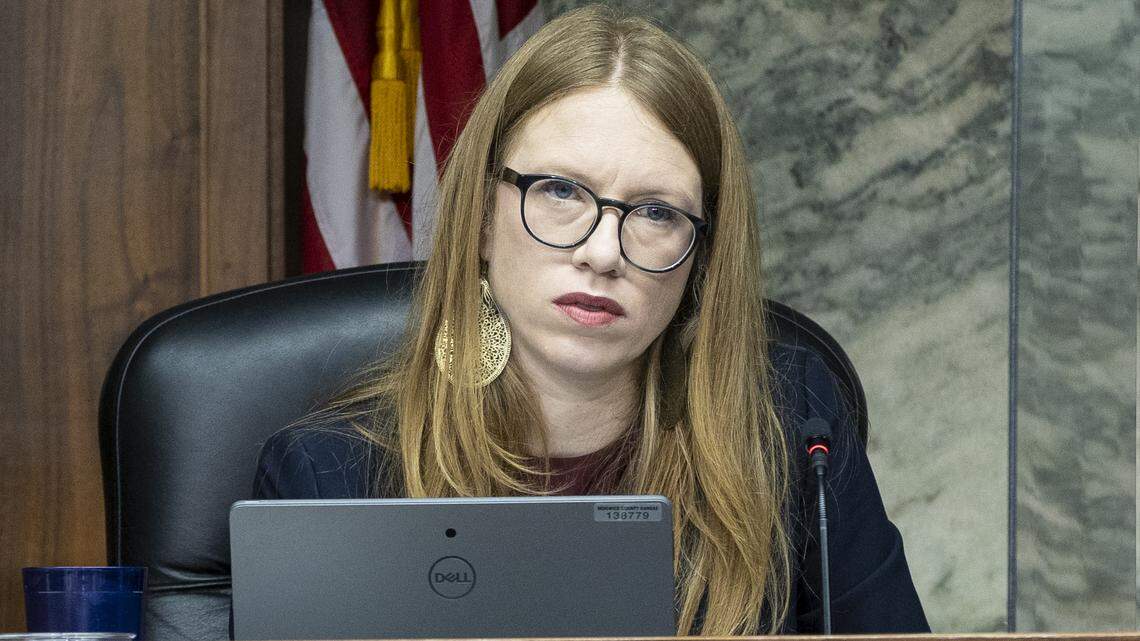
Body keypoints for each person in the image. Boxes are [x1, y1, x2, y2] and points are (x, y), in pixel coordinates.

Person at [253, 4, 928, 635]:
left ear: (702, 253)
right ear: (482, 217)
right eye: (561, 191)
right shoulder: (330, 473)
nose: (602, 252)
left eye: (658, 212)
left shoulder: (788, 425)